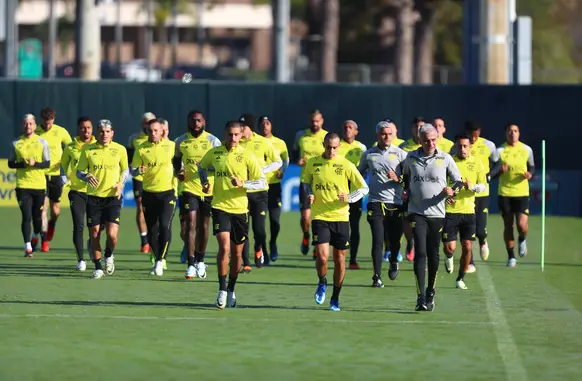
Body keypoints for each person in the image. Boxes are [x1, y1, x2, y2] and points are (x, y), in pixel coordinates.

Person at [198, 121, 265, 309]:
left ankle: (231, 289)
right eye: (230, 134)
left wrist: (243, 184)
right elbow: (201, 166)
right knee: (224, 247)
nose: (233, 138)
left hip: (240, 210)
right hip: (220, 206)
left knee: (237, 254)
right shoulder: (216, 153)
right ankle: (221, 289)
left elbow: (261, 182)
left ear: (241, 135)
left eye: (236, 135)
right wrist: (204, 182)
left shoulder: (246, 155)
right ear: (225, 134)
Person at [304, 132, 368, 311]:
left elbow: (364, 187)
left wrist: (349, 197)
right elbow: (306, 182)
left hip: (341, 218)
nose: (331, 150)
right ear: (323, 145)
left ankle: (335, 298)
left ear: (338, 147)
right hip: (320, 217)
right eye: (328, 146)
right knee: (323, 257)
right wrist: (309, 193)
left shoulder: (345, 164)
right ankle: (322, 281)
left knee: (340, 260)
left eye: (334, 147)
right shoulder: (312, 163)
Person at [402, 123, 462, 311]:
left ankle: (430, 291)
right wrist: (405, 191)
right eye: (426, 140)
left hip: (437, 214)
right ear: (419, 140)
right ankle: (420, 297)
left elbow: (458, 181)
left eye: (433, 140)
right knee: (420, 252)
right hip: (417, 212)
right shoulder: (411, 157)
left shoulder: (445, 158)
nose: (430, 144)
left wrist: (452, 191)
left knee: (433, 254)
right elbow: (405, 177)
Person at [76, 119, 129, 279]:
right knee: (94, 233)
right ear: (97, 133)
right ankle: (98, 267)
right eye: (101, 131)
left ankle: (108, 255)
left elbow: (125, 170)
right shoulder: (88, 150)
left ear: (112, 133)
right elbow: (79, 172)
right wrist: (86, 176)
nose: (104, 134)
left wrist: (120, 184)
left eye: (107, 131)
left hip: (112, 197)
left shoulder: (120, 149)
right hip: (94, 198)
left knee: (112, 235)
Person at [358, 121, 407, 287]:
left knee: (394, 240)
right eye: (383, 133)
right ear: (377, 135)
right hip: (375, 202)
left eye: (389, 133)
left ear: (394, 135)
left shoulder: (401, 154)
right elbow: (358, 173)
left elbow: (410, 178)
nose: (387, 136)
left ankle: (393, 260)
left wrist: (398, 179)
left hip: (395, 203)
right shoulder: (369, 154)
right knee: (377, 240)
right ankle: (376, 276)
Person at [174, 110, 221, 279]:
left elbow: (219, 163)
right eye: (193, 120)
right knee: (189, 224)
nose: (196, 124)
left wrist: (206, 170)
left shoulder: (213, 141)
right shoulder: (180, 141)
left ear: (204, 122)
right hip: (188, 189)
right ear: (188, 122)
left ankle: (201, 261)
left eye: (199, 121)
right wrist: (178, 172)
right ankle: (190, 263)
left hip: (208, 189)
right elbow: (176, 160)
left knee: (204, 226)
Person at [131, 118, 177, 276]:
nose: (153, 133)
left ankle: (160, 260)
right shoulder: (142, 148)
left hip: (168, 192)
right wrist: (139, 171)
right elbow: (133, 170)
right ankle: (156, 255)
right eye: (150, 131)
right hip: (149, 193)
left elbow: (180, 164)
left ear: (162, 131)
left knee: (165, 225)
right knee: (152, 229)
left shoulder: (171, 146)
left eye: (156, 130)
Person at [442, 134, 486, 290]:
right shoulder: (448, 161)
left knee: (467, 246)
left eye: (465, 146)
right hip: (450, 211)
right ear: (455, 146)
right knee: (450, 248)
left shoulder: (477, 163)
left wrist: (472, 187)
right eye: (459, 146)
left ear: (470, 147)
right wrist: (444, 197)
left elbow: (483, 186)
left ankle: (460, 278)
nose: (462, 149)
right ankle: (448, 256)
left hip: (468, 211)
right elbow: (440, 183)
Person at [239, 114, 282, 270]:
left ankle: (259, 247)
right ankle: (246, 262)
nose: (240, 130)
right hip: (241, 192)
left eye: (243, 127)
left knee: (259, 229)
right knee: (243, 228)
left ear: (250, 128)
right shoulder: (235, 144)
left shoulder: (263, 142)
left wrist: (262, 170)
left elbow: (278, 161)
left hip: (260, 191)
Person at [9, 114, 50, 257]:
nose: (28, 126)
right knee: (26, 216)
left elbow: (47, 163)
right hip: (23, 185)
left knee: (37, 217)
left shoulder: (42, 142)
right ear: (23, 125)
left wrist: (35, 164)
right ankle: (27, 246)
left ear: (34, 125)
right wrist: (23, 163)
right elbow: (10, 162)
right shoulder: (16, 143)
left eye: (31, 124)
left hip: (39, 185)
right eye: (26, 124)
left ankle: (35, 234)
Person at [493, 123, 534, 268]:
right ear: (506, 133)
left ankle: (522, 239)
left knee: (522, 225)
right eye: (510, 131)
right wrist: (500, 171)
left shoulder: (526, 149)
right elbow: (492, 173)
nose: (513, 133)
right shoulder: (500, 150)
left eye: (515, 131)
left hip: (521, 192)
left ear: (519, 133)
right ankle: (511, 256)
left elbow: (532, 167)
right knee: (508, 225)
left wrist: (529, 174)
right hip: (505, 193)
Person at [34, 107, 72, 252]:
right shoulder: (35, 132)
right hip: (40, 175)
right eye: (45, 122)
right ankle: (44, 241)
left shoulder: (61, 131)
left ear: (53, 120)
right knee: (42, 209)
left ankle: (52, 225)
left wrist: (66, 171)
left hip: (56, 175)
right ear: (41, 119)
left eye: (50, 123)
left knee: (55, 211)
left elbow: (72, 149)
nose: (47, 126)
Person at [61, 117, 96, 271]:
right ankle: (81, 260)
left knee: (95, 227)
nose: (86, 131)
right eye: (82, 128)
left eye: (88, 127)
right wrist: (65, 180)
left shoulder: (97, 146)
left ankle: (92, 245)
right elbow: (63, 166)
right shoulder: (70, 148)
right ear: (78, 129)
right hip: (77, 192)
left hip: (96, 193)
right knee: (79, 225)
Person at [293, 110, 328, 257]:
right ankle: (306, 235)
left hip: (322, 181)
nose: (315, 123)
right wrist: (298, 161)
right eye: (312, 121)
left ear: (322, 121)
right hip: (306, 181)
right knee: (306, 217)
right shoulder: (301, 135)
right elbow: (295, 153)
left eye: (317, 121)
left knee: (320, 216)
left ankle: (318, 243)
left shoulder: (327, 137)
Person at [464, 121, 499, 266]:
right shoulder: (462, 145)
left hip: (482, 192)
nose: (472, 138)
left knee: (479, 228)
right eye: (470, 134)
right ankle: (470, 261)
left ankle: (483, 241)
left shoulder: (488, 145)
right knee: (468, 228)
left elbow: (497, 163)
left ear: (479, 131)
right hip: (466, 194)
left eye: (475, 134)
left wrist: (490, 176)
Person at [258, 115, 289, 261]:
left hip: (274, 186)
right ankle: (263, 250)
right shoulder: (254, 142)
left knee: (275, 222)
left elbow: (285, 159)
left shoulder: (280, 143)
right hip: (259, 188)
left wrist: (282, 170)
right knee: (260, 224)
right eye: (262, 123)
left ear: (271, 126)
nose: (265, 126)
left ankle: (273, 243)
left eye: (267, 123)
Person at [337, 120, 367, 270]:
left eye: (350, 127)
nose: (347, 129)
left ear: (356, 131)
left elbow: (365, 169)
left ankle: (353, 259)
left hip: (354, 194)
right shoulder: (338, 147)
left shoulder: (362, 148)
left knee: (354, 226)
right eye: (345, 127)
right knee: (338, 226)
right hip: (338, 194)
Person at [127, 112, 156, 253]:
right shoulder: (134, 138)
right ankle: (144, 240)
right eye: (146, 122)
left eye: (150, 122)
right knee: (140, 206)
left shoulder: (159, 138)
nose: (148, 124)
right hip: (139, 178)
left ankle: (153, 236)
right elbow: (129, 159)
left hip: (155, 179)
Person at [398, 117, 425, 262]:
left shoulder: (432, 145)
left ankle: (422, 254)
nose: (418, 129)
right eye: (416, 127)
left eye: (421, 127)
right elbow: (401, 169)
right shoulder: (404, 147)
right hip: (409, 190)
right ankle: (410, 242)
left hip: (427, 191)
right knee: (407, 222)